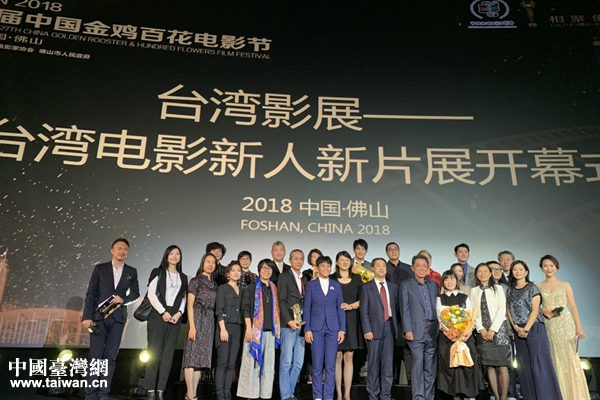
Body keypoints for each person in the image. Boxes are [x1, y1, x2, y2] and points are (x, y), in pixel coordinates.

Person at [82, 238, 140, 400]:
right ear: (112, 250)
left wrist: (124, 299)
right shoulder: (100, 269)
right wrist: (87, 317)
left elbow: (135, 293)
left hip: (118, 319)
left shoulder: (131, 271)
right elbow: (91, 293)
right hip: (98, 318)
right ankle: (90, 394)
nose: (122, 251)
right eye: (119, 248)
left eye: (125, 249)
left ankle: (103, 394)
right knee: (95, 357)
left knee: (110, 357)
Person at [506, 260, 563, 400]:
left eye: (521, 269)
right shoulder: (510, 290)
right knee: (524, 366)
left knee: (539, 364)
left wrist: (525, 329)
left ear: (526, 271)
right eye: (515, 269)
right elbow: (508, 310)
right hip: (518, 330)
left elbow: (535, 310)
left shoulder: (532, 288)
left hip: (534, 328)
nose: (518, 272)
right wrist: (515, 327)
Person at [537, 255, 590, 400]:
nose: (549, 268)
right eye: (545, 266)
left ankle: (574, 395)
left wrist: (579, 328)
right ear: (541, 268)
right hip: (548, 325)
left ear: (557, 267)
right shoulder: (538, 287)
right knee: (553, 357)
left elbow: (572, 306)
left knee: (569, 357)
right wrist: (543, 310)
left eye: (551, 265)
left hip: (565, 324)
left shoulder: (565, 284)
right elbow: (534, 307)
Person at [144, 245, 188, 400]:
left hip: (175, 317)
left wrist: (179, 313)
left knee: (168, 356)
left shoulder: (183, 277)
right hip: (158, 316)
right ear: (166, 256)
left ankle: (161, 390)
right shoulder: (158, 272)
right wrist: (163, 312)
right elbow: (151, 294)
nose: (174, 256)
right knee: (154, 353)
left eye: (177, 254)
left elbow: (184, 298)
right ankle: (150, 389)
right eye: (172, 253)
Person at [436, 270, 484, 400]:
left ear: (457, 281)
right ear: (443, 282)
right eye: (446, 279)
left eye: (452, 279)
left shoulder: (465, 297)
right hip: (447, 338)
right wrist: (450, 334)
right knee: (451, 365)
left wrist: (466, 334)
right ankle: (455, 396)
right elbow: (440, 319)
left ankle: (470, 395)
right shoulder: (440, 298)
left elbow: (471, 318)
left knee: (467, 364)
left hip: (466, 337)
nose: (449, 282)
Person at [237, 259, 281, 400]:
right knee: (251, 364)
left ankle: (265, 394)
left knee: (268, 366)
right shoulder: (251, 288)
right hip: (254, 332)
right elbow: (245, 308)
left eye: (269, 268)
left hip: (270, 332)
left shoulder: (274, 288)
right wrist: (248, 328)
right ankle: (250, 394)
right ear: (259, 270)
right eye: (264, 268)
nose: (266, 271)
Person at [304, 255, 346, 400]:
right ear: (317, 268)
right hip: (316, 329)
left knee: (330, 365)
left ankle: (328, 396)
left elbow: (340, 308)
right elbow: (307, 307)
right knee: (317, 365)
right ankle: (317, 396)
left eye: (328, 266)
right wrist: (307, 329)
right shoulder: (311, 285)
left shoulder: (336, 285)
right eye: (323, 266)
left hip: (333, 329)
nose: (326, 268)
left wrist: (342, 329)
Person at [469, 263, 511, 400]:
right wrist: (481, 329)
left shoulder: (498, 288)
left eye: (485, 271)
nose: (483, 274)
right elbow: (473, 312)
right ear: (476, 275)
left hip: (499, 329)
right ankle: (496, 396)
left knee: (502, 364)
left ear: (490, 273)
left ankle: (503, 397)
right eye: (480, 272)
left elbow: (501, 309)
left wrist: (493, 329)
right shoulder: (474, 291)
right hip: (482, 331)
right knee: (489, 365)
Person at [400, 254, 439, 400]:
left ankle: (429, 397)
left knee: (430, 368)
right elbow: (404, 309)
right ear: (412, 268)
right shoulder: (406, 285)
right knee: (417, 366)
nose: (422, 269)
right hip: (415, 331)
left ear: (428, 268)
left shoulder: (433, 285)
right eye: (418, 266)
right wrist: (407, 329)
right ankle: (418, 397)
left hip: (432, 329)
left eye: (424, 266)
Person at [360, 257, 398, 400]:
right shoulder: (366, 287)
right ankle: (373, 395)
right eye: (378, 265)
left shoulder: (393, 287)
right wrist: (367, 329)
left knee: (388, 366)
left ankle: (386, 395)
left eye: (383, 266)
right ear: (373, 268)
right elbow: (364, 311)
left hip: (389, 327)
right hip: (373, 329)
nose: (381, 268)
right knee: (373, 365)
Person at [183, 253, 218, 400]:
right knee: (191, 357)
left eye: (213, 262)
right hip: (197, 318)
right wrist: (192, 326)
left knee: (200, 360)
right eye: (208, 261)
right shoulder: (195, 281)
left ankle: (193, 392)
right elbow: (189, 305)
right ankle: (190, 393)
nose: (210, 265)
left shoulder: (215, 284)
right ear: (202, 263)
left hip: (209, 320)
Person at [331, 251, 363, 400]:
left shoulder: (357, 278)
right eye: (341, 260)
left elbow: (363, 299)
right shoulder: (331, 278)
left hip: (352, 319)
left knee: (349, 357)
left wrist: (350, 306)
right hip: (334, 320)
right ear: (337, 262)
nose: (344, 262)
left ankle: (347, 394)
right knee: (337, 356)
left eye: (347, 260)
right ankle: (338, 394)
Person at [277, 249, 308, 400]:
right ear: (290, 260)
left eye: (301, 258)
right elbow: (281, 301)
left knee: (298, 363)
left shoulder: (304, 279)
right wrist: (289, 320)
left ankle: (290, 393)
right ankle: (285, 395)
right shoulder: (284, 276)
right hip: (288, 325)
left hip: (301, 326)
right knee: (286, 361)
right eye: (296, 258)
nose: (299, 261)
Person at [215, 261, 243, 400]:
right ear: (228, 273)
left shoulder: (243, 290)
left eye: (238, 270)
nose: (236, 273)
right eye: (233, 270)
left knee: (232, 363)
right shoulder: (223, 288)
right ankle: (220, 393)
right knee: (222, 362)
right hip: (225, 328)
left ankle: (227, 392)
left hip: (238, 329)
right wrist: (222, 329)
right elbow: (219, 310)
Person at [385, 242, 411, 385]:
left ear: (399, 251)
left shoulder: (408, 268)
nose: (393, 251)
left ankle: (409, 381)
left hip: (406, 313)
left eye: (395, 249)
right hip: (390, 313)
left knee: (406, 348)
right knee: (391, 348)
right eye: (390, 250)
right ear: (387, 253)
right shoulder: (383, 268)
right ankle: (392, 381)